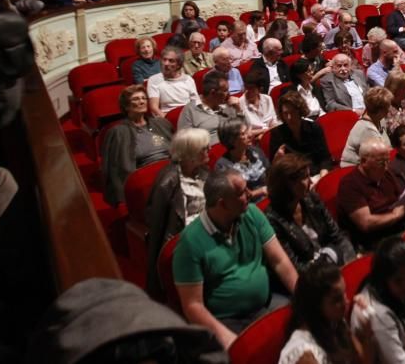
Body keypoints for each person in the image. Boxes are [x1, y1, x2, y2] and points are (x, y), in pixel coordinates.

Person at [173, 169, 297, 350]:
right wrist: (229, 340)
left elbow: (279, 261)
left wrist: (303, 294)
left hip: (266, 305)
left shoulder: (252, 214)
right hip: (228, 321)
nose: (250, 194)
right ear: (222, 204)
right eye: (241, 193)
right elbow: (193, 306)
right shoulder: (190, 243)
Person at [147, 128, 211, 295]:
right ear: (190, 153)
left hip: (209, 227)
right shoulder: (168, 181)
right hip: (185, 237)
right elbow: (158, 226)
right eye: (204, 148)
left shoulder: (203, 171)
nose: (209, 150)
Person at [266, 154, 354, 273]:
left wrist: (350, 266)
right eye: (305, 177)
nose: (311, 181)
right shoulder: (273, 220)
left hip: (333, 260)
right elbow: (296, 268)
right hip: (313, 278)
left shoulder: (311, 198)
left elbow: (337, 236)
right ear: (288, 185)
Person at [280, 259, 373, 364]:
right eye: (337, 299)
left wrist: (366, 333)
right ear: (315, 307)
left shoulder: (335, 322)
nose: (346, 302)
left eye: (344, 293)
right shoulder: (305, 354)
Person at [338, 137, 405, 249]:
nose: (386, 167)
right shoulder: (349, 185)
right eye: (381, 162)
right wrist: (395, 215)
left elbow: (401, 199)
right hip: (377, 241)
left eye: (387, 160)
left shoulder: (386, 173)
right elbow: (366, 223)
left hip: (401, 228)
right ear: (363, 161)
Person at [102, 85, 173, 206]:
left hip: (173, 172)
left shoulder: (160, 123)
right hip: (149, 181)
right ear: (126, 106)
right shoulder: (118, 132)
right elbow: (115, 170)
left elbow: (178, 149)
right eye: (136, 99)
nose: (141, 101)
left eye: (144, 98)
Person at [271, 91, 333, 175]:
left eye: (292, 112)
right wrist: (277, 159)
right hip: (293, 178)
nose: (289, 117)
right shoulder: (277, 133)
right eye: (285, 113)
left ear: (300, 111)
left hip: (316, 173)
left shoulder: (314, 128)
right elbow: (274, 167)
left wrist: (322, 178)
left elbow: (325, 158)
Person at [215, 118, 270, 200]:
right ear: (231, 140)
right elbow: (233, 197)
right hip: (248, 207)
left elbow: (270, 172)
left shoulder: (255, 151)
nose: (250, 135)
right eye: (243, 134)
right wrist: (260, 192)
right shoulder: (223, 166)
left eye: (248, 131)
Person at [146, 46, 199, 116]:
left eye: (171, 61)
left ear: (179, 65)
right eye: (164, 60)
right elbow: (154, 108)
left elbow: (196, 103)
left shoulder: (188, 79)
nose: (166, 63)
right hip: (166, 116)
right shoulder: (154, 79)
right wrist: (169, 120)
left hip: (187, 116)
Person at [238, 67, 278, 131]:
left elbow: (274, 122)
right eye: (247, 88)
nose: (248, 91)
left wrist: (265, 134)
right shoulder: (240, 103)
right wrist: (262, 132)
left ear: (260, 89)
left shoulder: (267, 99)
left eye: (252, 89)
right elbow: (245, 131)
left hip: (270, 134)